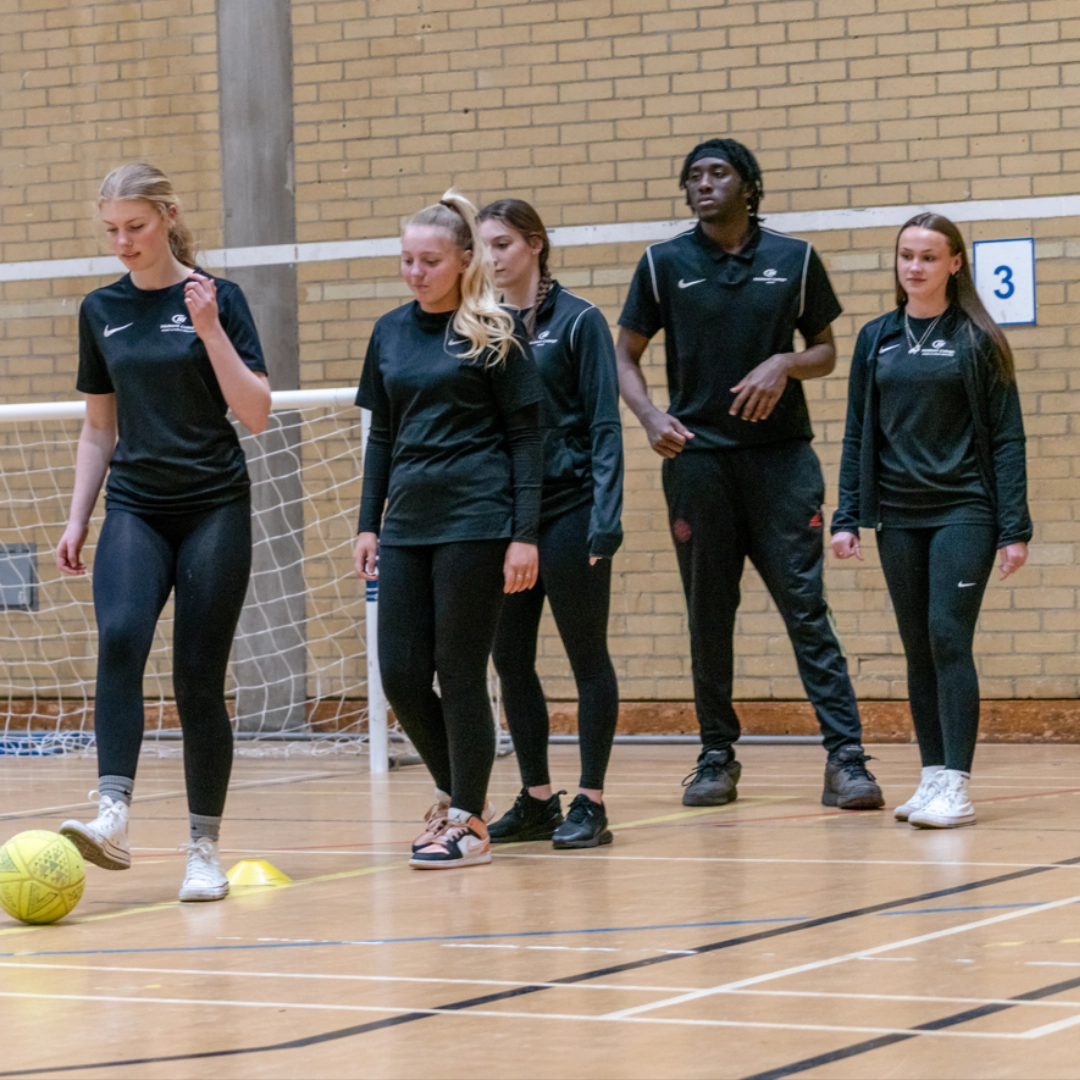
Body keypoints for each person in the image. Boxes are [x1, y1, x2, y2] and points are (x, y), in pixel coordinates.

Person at [616, 138, 884, 811]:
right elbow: (624, 357)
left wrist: (784, 363)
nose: (703, 184)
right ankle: (715, 757)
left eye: (718, 173)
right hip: (697, 463)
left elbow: (824, 349)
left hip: (782, 463)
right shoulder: (661, 264)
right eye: (694, 176)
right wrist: (649, 417)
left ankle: (846, 758)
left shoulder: (793, 260)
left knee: (805, 609)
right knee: (708, 615)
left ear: (748, 184)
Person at [57, 163, 271, 901]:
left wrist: (209, 329)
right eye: (112, 230)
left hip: (214, 506)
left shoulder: (220, 298)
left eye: (136, 227)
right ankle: (112, 811)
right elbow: (98, 427)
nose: (124, 242)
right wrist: (79, 515)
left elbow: (257, 411)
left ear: (169, 217)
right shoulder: (100, 309)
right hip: (137, 508)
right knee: (119, 636)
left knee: (197, 681)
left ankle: (202, 850)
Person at [354, 191, 543, 870]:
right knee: (402, 673)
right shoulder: (389, 332)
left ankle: (466, 819)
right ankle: (454, 793)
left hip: (477, 520)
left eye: (428, 260)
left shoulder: (496, 331)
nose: (415, 271)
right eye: (406, 259)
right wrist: (366, 523)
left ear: (464, 260)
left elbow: (526, 437)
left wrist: (526, 533)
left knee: (459, 670)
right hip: (406, 523)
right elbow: (382, 438)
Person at [832, 213, 1031, 829]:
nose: (914, 267)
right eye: (905, 256)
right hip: (897, 512)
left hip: (964, 510)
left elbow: (1006, 438)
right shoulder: (877, 338)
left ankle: (958, 785)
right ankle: (931, 776)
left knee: (948, 636)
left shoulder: (977, 339)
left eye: (926, 257)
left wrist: (1014, 525)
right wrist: (847, 515)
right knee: (918, 648)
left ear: (954, 263)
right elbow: (857, 431)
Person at [478, 199, 624, 849]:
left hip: (571, 512)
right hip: (509, 521)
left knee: (586, 656)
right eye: (484, 245)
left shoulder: (581, 321)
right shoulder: (481, 325)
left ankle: (591, 800)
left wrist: (605, 520)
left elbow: (603, 425)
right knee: (510, 658)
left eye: (503, 243)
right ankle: (538, 797)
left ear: (535, 245)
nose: (492, 256)